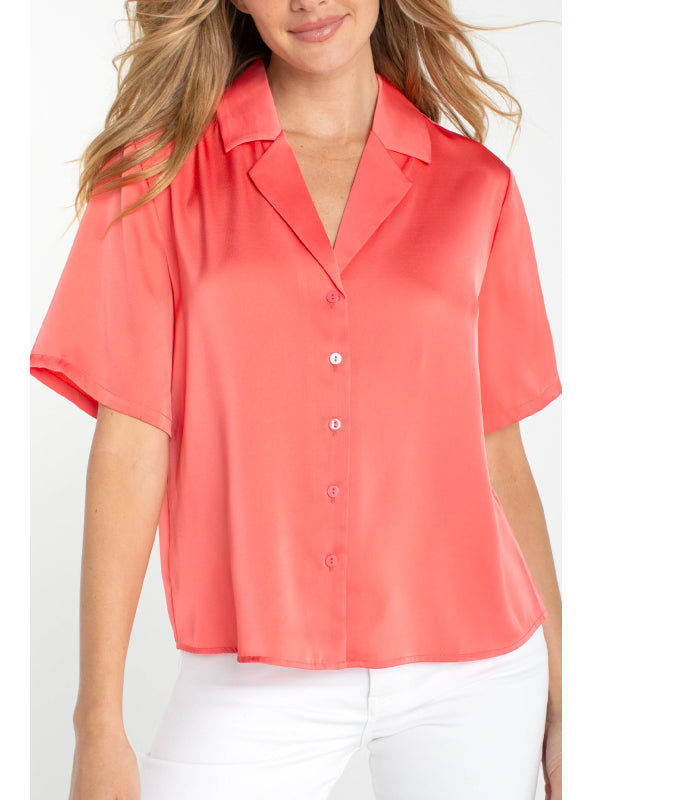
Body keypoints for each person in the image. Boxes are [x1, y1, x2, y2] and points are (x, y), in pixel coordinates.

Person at [30, 0, 562, 798]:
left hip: (477, 675)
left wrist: (568, 694)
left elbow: (498, 453)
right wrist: (97, 724)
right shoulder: (157, 178)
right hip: (254, 674)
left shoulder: (477, 188)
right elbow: (132, 444)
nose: (308, 2)